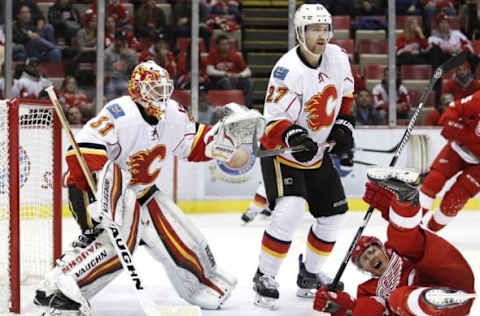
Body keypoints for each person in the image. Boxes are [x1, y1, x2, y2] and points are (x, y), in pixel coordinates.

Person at [33, 60, 265, 314]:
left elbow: (194, 142)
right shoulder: (120, 113)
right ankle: (62, 290)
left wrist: (224, 144)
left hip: (142, 191)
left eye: (164, 89)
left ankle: (203, 284)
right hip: (96, 189)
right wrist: (100, 196)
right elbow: (83, 154)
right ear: (138, 90)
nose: (162, 96)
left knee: (185, 238)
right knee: (118, 244)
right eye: (155, 90)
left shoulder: (173, 114)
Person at [251, 4, 355, 309]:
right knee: (291, 209)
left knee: (333, 215)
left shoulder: (337, 58)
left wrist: (344, 126)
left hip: (316, 155)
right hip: (282, 155)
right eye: (314, 29)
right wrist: (295, 136)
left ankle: (309, 274)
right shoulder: (287, 70)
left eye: (325, 28)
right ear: (300, 32)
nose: (321, 35)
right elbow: (273, 123)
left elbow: (345, 97)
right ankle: (264, 276)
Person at [313, 167, 476, 316]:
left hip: (453, 277)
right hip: (441, 311)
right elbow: (370, 311)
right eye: (364, 260)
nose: (371, 258)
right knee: (396, 298)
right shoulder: (369, 289)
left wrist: (393, 208)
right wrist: (346, 308)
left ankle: (405, 198)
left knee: (402, 239)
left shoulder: (397, 250)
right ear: (365, 270)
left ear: (381, 248)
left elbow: (414, 235)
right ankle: (429, 301)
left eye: (371, 251)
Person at [420, 89, 480, 232]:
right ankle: (411, 222)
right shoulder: (478, 99)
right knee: (433, 181)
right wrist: (457, 130)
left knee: (455, 200)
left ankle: (431, 230)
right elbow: (453, 110)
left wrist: (464, 136)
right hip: (457, 149)